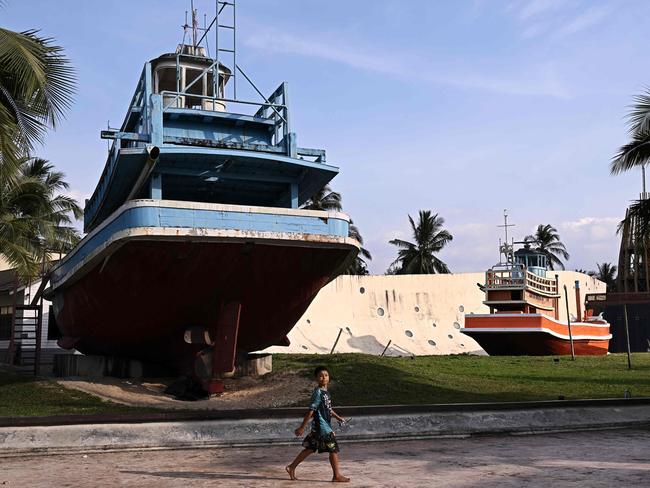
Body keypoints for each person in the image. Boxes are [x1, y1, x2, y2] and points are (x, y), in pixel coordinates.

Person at [286, 365, 350, 482]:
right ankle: (336, 476)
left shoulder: (326, 393)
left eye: (326, 375)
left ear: (329, 377)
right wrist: (302, 427)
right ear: (316, 378)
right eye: (320, 376)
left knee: (310, 448)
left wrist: (338, 418)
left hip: (322, 426)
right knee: (333, 449)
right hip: (322, 427)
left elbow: (328, 409)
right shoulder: (318, 393)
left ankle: (291, 467)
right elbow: (311, 410)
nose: (323, 378)